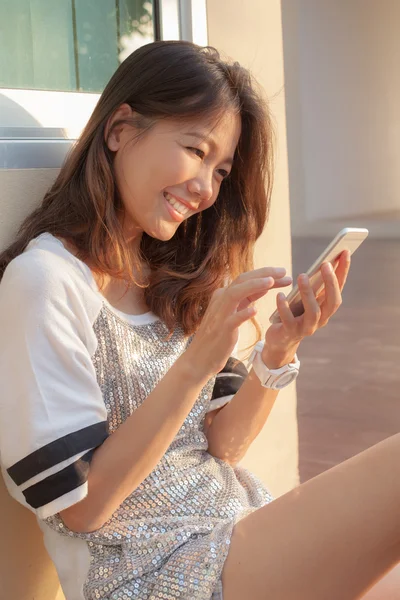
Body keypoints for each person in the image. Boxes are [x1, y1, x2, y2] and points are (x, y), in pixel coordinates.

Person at [0, 40, 398, 600]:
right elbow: (81, 508)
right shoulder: (44, 281)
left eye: (221, 170)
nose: (206, 187)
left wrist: (278, 350)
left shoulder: (173, 280)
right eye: (195, 150)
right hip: (157, 578)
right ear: (120, 130)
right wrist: (195, 363)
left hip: (238, 532)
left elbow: (223, 445)